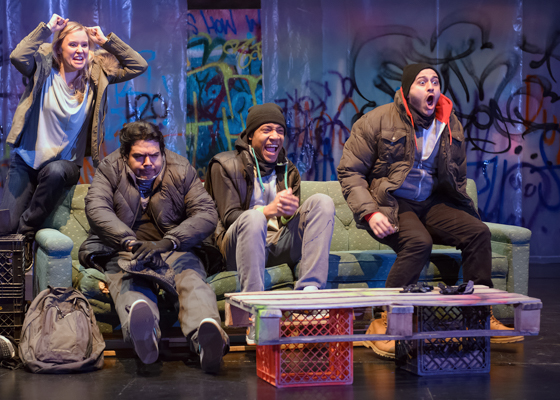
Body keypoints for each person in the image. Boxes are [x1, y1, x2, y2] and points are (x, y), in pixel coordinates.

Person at [337, 63, 522, 358]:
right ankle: (385, 318)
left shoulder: (450, 123)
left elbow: (456, 175)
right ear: (407, 90)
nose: (431, 87)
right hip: (393, 202)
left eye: (435, 81)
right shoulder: (377, 120)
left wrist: (462, 207)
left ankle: (479, 317)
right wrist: (371, 212)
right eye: (422, 82)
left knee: (478, 232)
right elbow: (350, 171)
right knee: (418, 242)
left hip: (431, 201)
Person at [78, 121, 229, 372]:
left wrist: (168, 242)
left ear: (162, 151)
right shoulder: (109, 169)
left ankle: (206, 339)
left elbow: (205, 213)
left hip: (174, 248)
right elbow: (97, 208)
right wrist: (129, 242)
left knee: (191, 280)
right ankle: (145, 337)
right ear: (125, 155)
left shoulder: (181, 168)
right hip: (126, 250)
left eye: (154, 155)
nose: (148, 163)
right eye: (139, 157)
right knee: (130, 282)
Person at [1, 14, 148, 263]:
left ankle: (27, 233)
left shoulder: (97, 74)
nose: (80, 50)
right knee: (5, 227)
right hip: (27, 160)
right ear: (59, 48)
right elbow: (18, 56)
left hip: (65, 165)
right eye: (73, 44)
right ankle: (6, 278)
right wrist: (47, 28)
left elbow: (138, 65)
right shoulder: (43, 67)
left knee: (55, 171)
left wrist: (106, 41)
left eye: (84, 45)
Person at [205, 103, 336, 345]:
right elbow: (229, 217)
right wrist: (266, 211)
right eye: (267, 130)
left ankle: (309, 297)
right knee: (254, 217)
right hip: (237, 248)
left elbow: (286, 220)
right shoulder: (224, 165)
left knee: (322, 202)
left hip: (276, 245)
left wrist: (288, 214)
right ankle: (256, 313)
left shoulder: (288, 169)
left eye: (280, 131)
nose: (275, 136)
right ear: (250, 135)